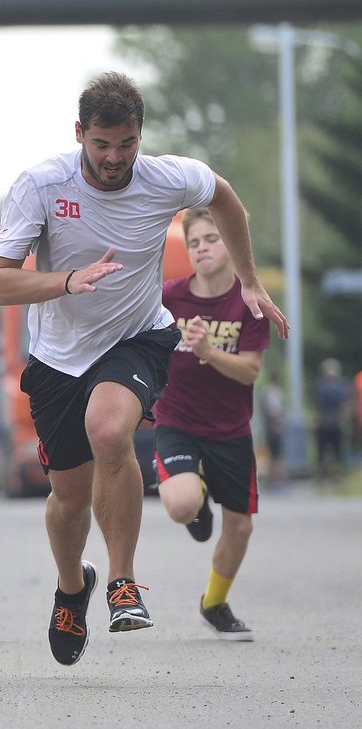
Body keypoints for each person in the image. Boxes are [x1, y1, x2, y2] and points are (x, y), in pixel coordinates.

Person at [0, 72, 289, 667]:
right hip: (57, 355)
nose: (114, 158)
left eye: (126, 144)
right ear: (80, 134)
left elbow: (223, 197)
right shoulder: (41, 186)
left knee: (110, 429)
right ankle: (74, 588)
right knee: (68, 501)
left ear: (139, 137)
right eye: (101, 145)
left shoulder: (167, 178)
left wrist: (249, 280)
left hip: (137, 336)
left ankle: (123, 583)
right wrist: (68, 280)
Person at [152, 207, 270, 642]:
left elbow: (250, 372)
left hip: (231, 430)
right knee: (181, 506)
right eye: (195, 242)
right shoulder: (168, 297)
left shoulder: (250, 301)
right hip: (177, 420)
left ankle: (214, 604)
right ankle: (194, 496)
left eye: (213, 239)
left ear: (235, 243)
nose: (202, 249)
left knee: (239, 526)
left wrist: (207, 350)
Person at [313, 357, 350, 482]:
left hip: (332, 421)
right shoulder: (336, 386)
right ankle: (326, 476)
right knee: (327, 451)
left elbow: (343, 405)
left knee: (335, 451)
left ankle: (334, 476)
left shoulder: (328, 386)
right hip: (328, 422)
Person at [261, 372, 287, 488]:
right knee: (277, 456)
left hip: (269, 427)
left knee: (272, 455)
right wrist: (278, 425)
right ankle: (276, 481)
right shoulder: (275, 392)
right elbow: (274, 411)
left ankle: (271, 481)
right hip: (274, 428)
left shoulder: (267, 391)